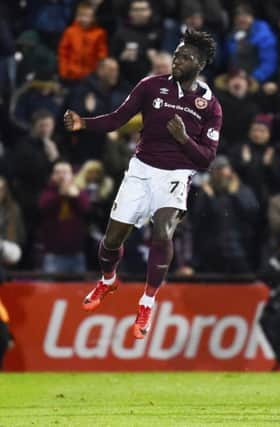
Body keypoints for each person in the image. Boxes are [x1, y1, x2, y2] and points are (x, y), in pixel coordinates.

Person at [63, 29, 221, 339]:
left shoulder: (210, 105)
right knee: (111, 241)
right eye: (176, 54)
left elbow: (206, 160)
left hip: (176, 175)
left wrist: (184, 139)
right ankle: (108, 280)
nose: (177, 60)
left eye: (185, 57)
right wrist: (84, 123)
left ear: (199, 64)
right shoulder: (151, 87)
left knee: (163, 230)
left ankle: (147, 303)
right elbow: (117, 119)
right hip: (141, 170)